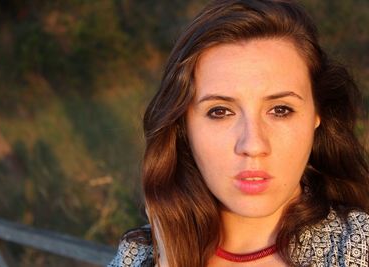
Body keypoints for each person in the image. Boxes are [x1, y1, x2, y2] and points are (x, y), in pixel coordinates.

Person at [108, 0, 369, 266]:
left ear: (317, 114)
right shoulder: (138, 255)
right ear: (182, 124)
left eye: (280, 110)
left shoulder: (355, 248)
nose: (253, 144)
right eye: (220, 111)